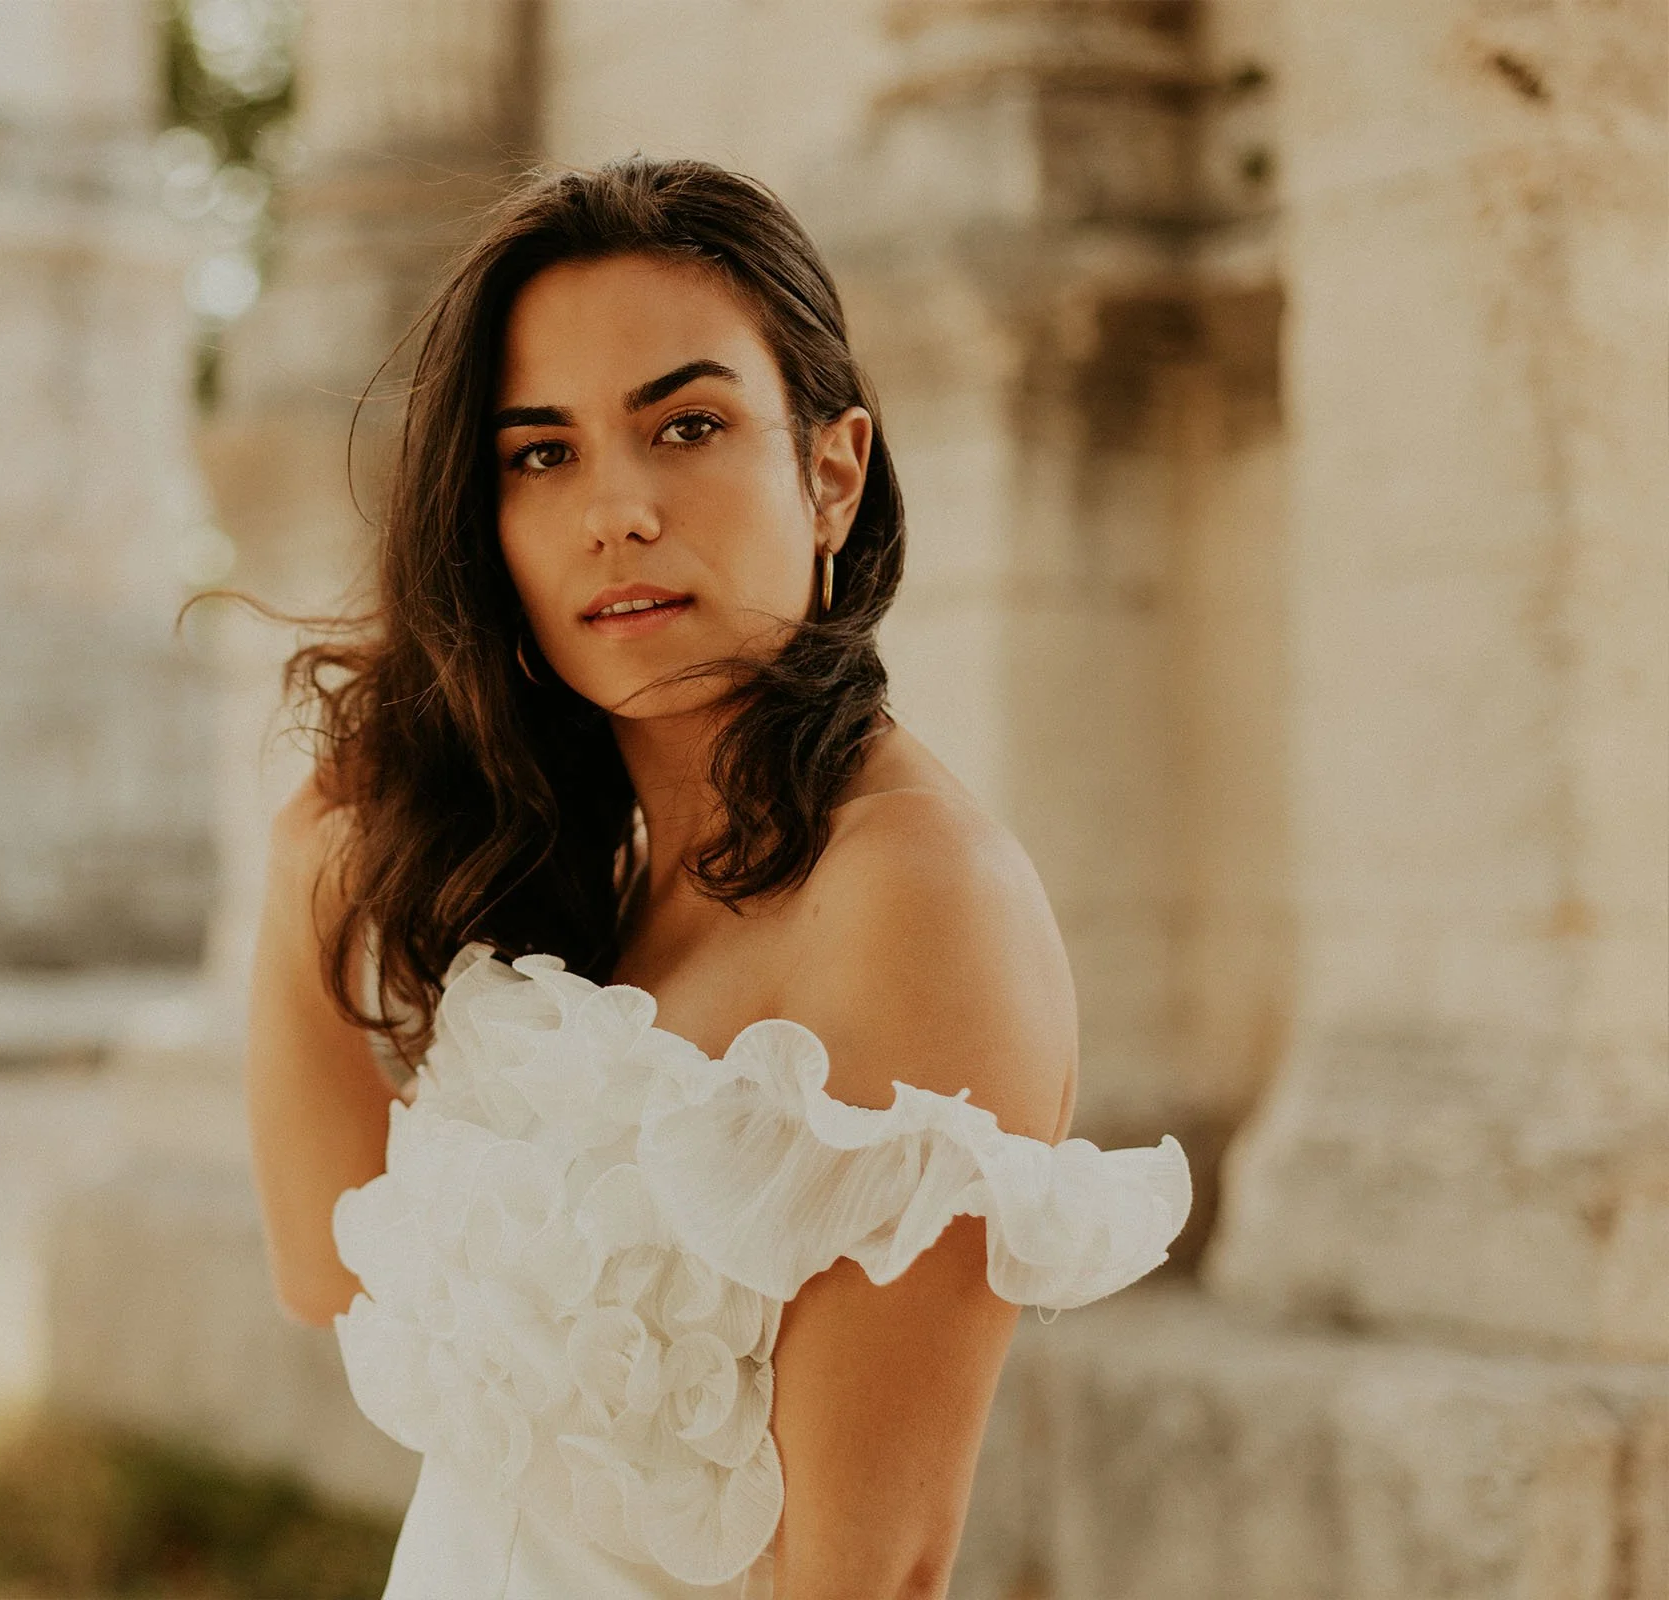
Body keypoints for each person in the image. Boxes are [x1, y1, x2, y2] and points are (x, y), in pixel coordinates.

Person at [241, 157, 1191, 1600]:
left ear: (831, 472)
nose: (614, 511)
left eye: (685, 426)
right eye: (540, 453)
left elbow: (865, 1572)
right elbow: (325, 1265)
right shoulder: (617, 869)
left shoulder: (912, 895)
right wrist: (314, 846)